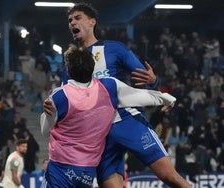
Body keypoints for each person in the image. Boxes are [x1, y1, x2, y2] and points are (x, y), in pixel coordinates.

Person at [44, 3, 191, 188]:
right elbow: (70, 106)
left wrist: (154, 81)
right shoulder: (69, 67)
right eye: (70, 20)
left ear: (92, 22)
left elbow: (143, 78)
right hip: (99, 135)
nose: (72, 22)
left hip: (128, 121)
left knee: (170, 177)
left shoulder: (115, 49)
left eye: (77, 18)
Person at [40, 46, 177, 188]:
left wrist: (49, 115)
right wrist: (166, 98)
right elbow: (140, 96)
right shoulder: (109, 86)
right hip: (86, 172)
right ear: (92, 68)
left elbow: (45, 131)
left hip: (60, 169)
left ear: (68, 71)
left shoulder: (60, 96)